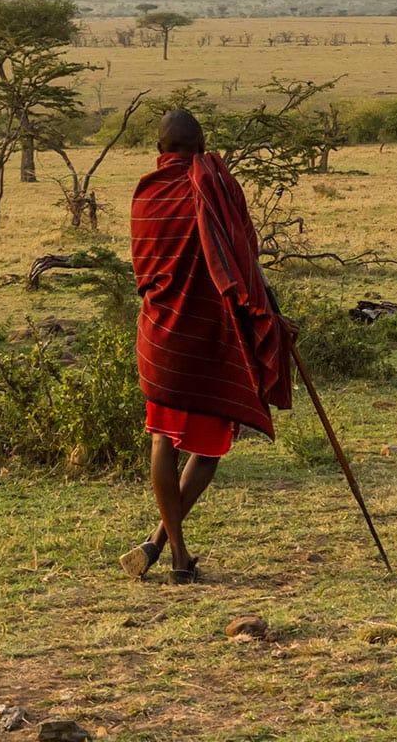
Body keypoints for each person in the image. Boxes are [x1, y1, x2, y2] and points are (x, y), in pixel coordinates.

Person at [121, 109, 293, 583]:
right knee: (211, 447)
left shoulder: (146, 192)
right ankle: (175, 554)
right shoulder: (213, 186)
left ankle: (164, 546)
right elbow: (240, 260)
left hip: (159, 334)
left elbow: (144, 268)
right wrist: (269, 315)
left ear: (160, 152)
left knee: (163, 437)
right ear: (200, 147)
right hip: (207, 335)